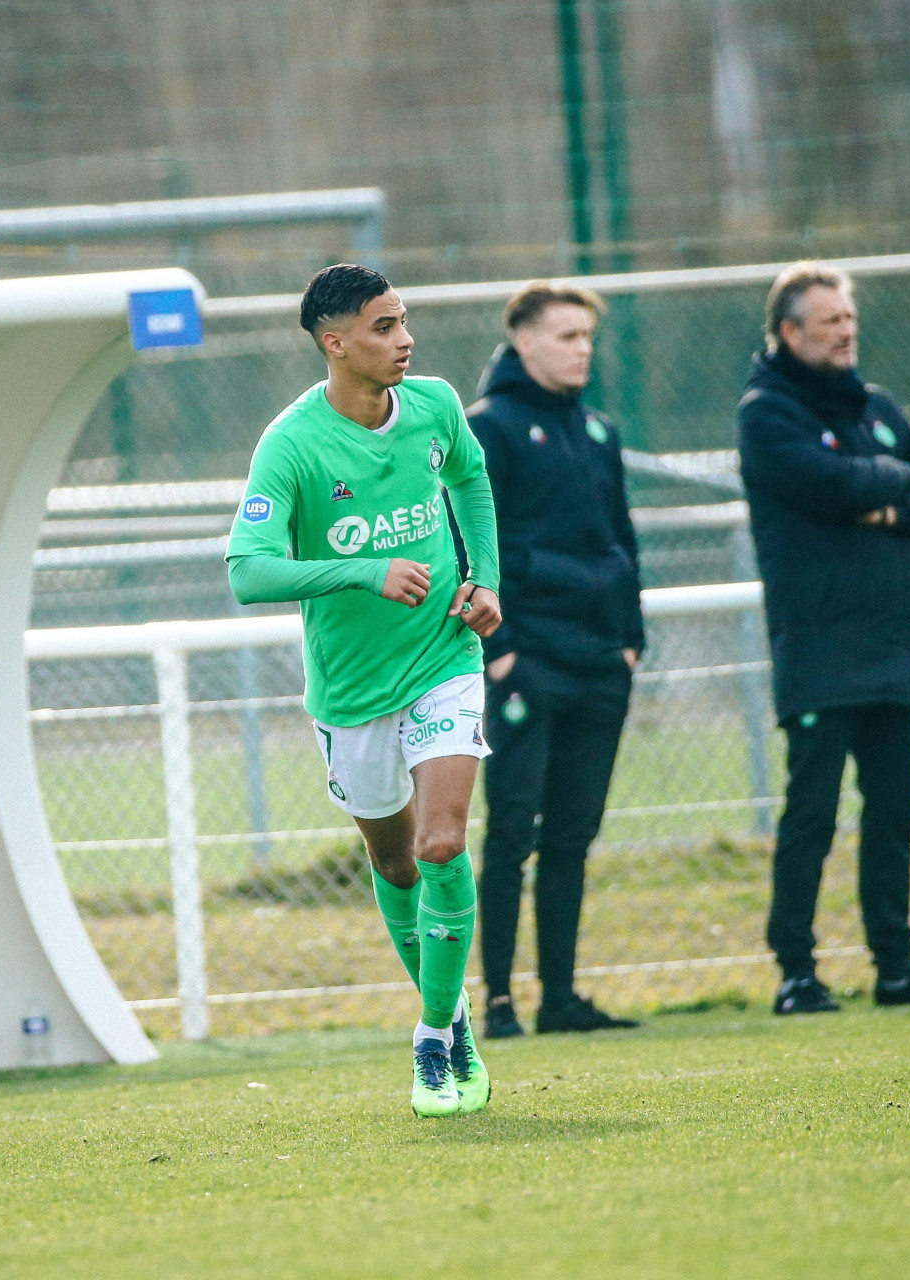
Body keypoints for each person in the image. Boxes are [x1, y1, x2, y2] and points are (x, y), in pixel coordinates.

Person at [228, 263, 503, 1117]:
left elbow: (473, 479)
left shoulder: (435, 406)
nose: (405, 339)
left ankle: (432, 1037)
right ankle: (449, 1007)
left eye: (405, 321)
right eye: (383, 328)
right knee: (393, 860)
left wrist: (485, 581)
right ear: (334, 342)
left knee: (443, 844)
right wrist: (365, 571)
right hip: (351, 694)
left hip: (444, 658)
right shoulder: (292, 444)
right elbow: (247, 572)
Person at [737, 262, 910, 1015]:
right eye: (830, 321)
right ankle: (796, 973)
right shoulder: (765, 413)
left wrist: (885, 501)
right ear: (790, 332)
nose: (847, 331)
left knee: (894, 813)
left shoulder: (876, 406)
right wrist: (888, 480)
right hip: (820, 646)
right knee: (811, 815)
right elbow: (830, 484)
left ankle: (897, 968)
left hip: (895, 643)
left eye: (849, 318)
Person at [467, 282, 645, 1039]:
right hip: (527, 662)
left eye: (587, 338)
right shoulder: (489, 429)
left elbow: (622, 540)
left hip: (600, 662)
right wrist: (500, 654)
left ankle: (562, 998)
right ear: (525, 341)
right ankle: (499, 1002)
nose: (582, 350)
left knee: (573, 835)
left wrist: (630, 639)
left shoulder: (599, 432)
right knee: (511, 830)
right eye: (567, 336)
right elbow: (470, 544)